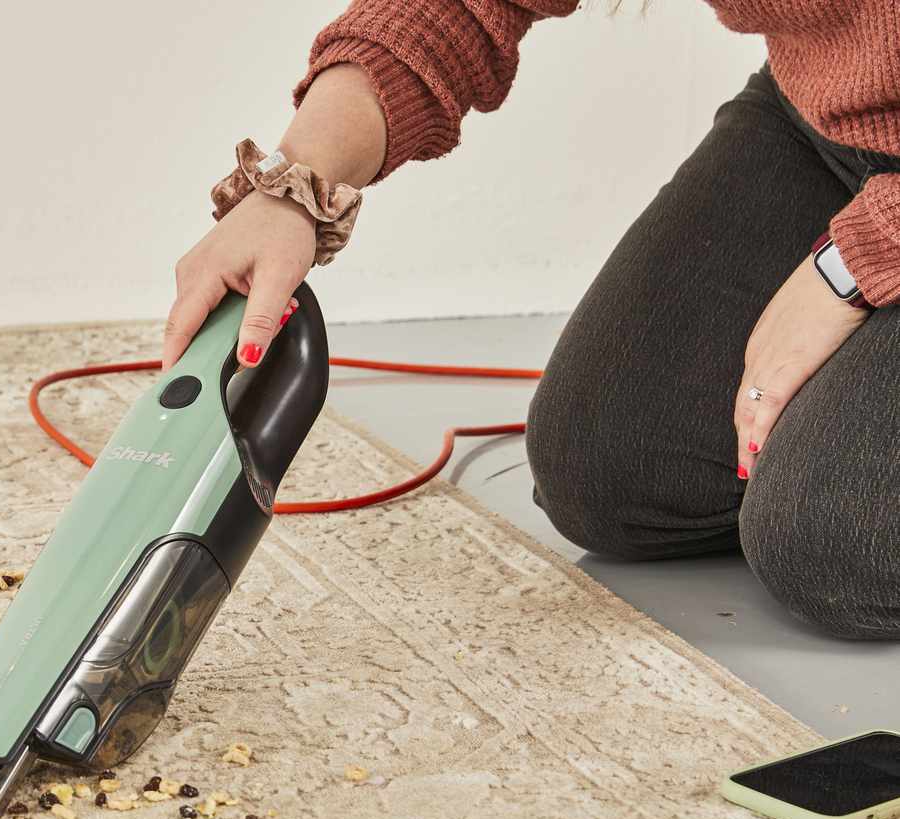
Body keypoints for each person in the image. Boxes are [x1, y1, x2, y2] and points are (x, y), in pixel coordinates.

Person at [163, 1, 900, 639]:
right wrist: (294, 186)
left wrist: (853, 265)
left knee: (832, 540)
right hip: (831, 111)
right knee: (611, 471)